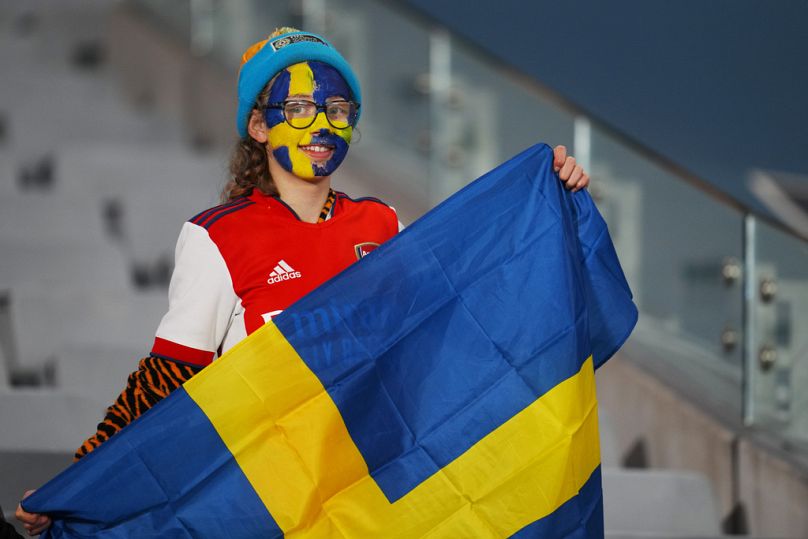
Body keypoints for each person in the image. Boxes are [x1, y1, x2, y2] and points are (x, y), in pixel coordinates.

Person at [16, 27, 589, 535]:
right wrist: (81, 477)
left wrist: (551, 209)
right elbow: (168, 376)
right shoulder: (217, 236)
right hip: (265, 499)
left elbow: (450, 326)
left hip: (369, 495)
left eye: (337, 108)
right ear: (260, 126)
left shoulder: (383, 224)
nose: (320, 124)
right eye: (297, 108)